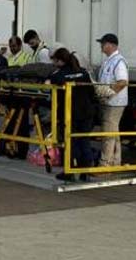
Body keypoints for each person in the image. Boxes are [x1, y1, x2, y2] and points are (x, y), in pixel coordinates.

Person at [48, 48, 95, 182]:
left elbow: (53, 96)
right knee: (84, 140)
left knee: (70, 142)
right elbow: (92, 92)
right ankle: (85, 171)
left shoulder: (57, 76)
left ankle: (69, 171)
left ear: (59, 60)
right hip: (86, 112)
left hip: (70, 114)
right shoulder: (83, 72)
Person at [95, 33, 129, 168]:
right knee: (113, 133)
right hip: (108, 102)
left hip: (114, 103)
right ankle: (115, 161)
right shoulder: (108, 61)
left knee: (108, 134)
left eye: (103, 44)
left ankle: (106, 163)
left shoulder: (118, 61)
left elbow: (122, 82)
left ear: (110, 45)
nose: (101, 47)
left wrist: (108, 93)